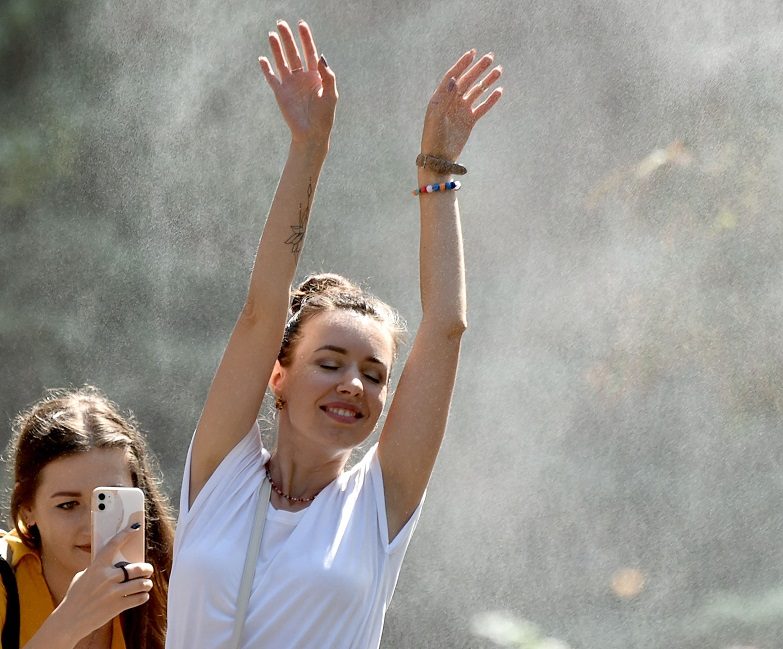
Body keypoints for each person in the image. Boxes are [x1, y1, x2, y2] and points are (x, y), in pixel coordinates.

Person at [165, 17, 503, 649]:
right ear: (278, 376)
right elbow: (262, 312)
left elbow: (446, 328)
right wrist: (308, 149)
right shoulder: (218, 474)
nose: (354, 383)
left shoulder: (378, 502)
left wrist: (438, 169)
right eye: (330, 362)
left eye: (375, 374)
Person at [1, 386, 174, 649]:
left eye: (109, 502)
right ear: (27, 508)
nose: (92, 525)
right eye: (68, 505)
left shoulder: (170, 587)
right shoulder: (5, 576)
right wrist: (68, 624)